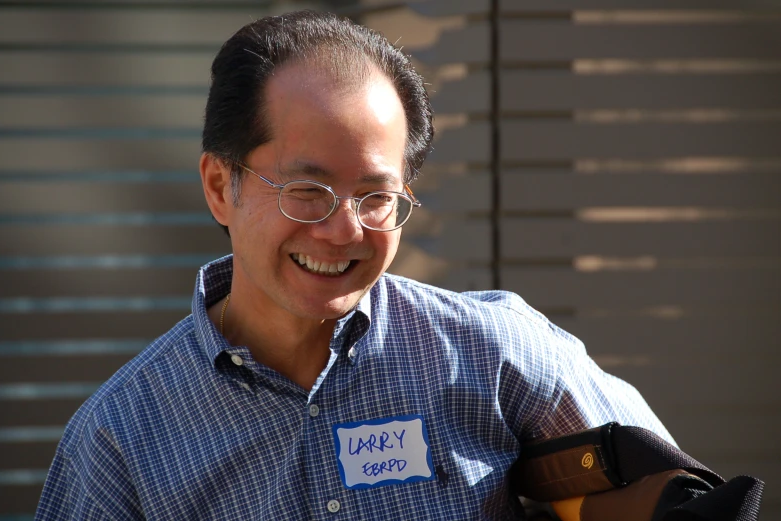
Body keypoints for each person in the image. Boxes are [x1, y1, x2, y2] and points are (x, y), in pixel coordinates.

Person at [36, 11, 673, 520]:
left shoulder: (499, 355)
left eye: (377, 197)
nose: (345, 230)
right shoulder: (121, 438)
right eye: (307, 190)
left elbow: (670, 490)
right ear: (218, 185)